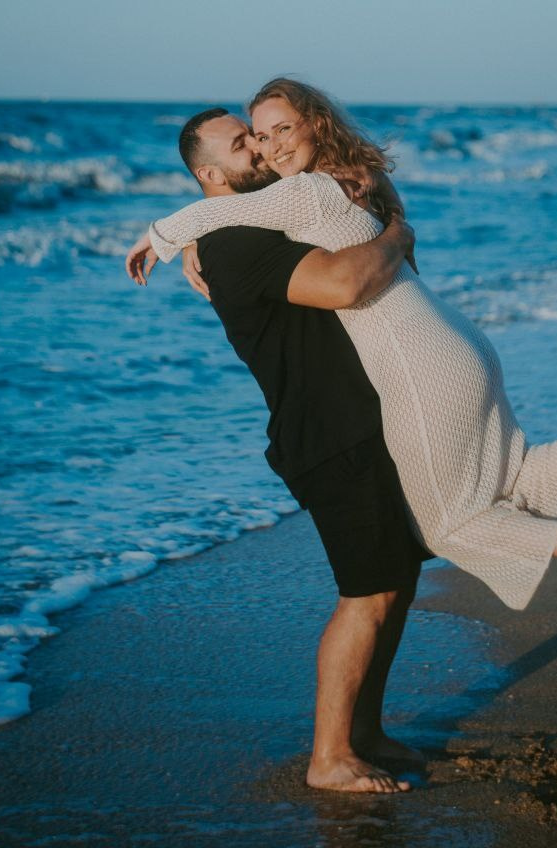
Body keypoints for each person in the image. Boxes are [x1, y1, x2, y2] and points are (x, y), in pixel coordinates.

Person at [134, 79, 557, 616]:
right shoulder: (359, 178)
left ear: (313, 126)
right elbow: (254, 214)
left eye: (280, 131)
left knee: (443, 525)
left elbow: (218, 210)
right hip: (459, 343)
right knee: (504, 475)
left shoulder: (301, 192)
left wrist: (164, 237)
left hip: (417, 370)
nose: (267, 147)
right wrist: (196, 241)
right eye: (257, 138)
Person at [127, 107, 428, 794]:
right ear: (210, 174)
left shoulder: (254, 221)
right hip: (326, 433)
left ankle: (366, 732)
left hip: (354, 420)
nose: (259, 149)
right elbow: (345, 282)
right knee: (367, 592)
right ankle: (328, 757)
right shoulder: (235, 240)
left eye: (258, 135)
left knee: (395, 579)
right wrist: (397, 235)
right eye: (242, 145)